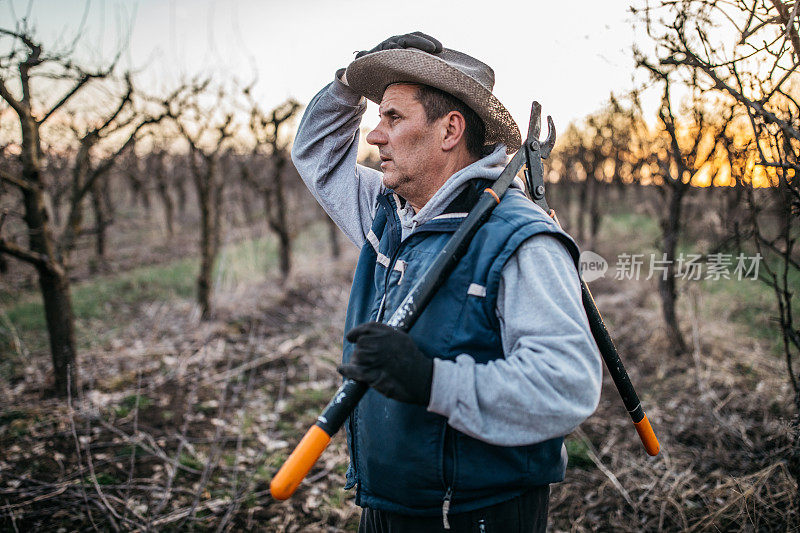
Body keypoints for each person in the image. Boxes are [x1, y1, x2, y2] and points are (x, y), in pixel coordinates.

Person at [291, 32, 602, 533]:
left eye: (392, 118)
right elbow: (314, 154)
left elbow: (567, 386)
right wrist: (350, 80)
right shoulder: (388, 214)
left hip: (476, 516)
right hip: (388, 504)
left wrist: (432, 381)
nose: (374, 136)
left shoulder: (520, 239)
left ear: (450, 130)